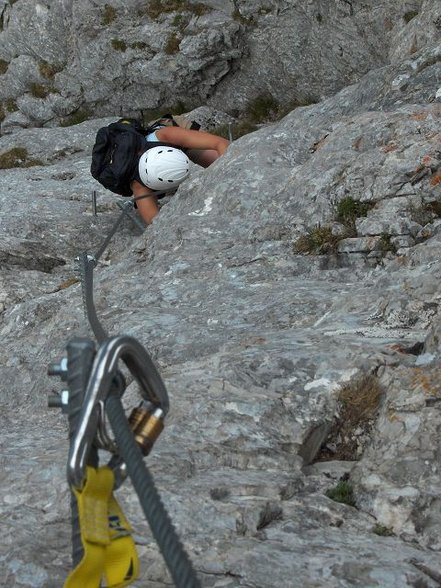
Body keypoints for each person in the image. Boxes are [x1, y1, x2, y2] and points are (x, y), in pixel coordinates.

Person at [130, 125, 230, 224]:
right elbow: (155, 222)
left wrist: (229, 176)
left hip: (175, 145)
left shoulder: (166, 135)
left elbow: (221, 143)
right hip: (139, 173)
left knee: (223, 158)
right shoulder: (138, 184)